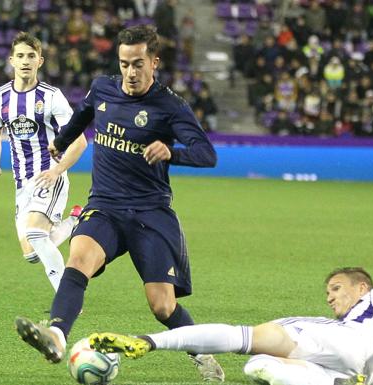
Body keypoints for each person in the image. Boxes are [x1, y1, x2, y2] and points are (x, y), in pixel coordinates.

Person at [13, 25, 224, 382]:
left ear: (154, 62)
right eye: (125, 63)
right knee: (78, 260)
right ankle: (57, 335)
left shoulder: (170, 106)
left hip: (150, 213)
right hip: (105, 206)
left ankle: (200, 351)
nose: (130, 72)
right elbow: (83, 115)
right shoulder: (103, 87)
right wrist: (61, 141)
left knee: (162, 306)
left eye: (138, 64)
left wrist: (173, 151)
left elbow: (208, 154)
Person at [88, 267, 373, 385]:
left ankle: (149, 342)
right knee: (259, 368)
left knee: (243, 338)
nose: (330, 297)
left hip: (345, 346)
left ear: (361, 286)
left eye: (336, 288)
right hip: (358, 372)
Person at [0, 32, 87, 292]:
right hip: (22, 182)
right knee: (32, 253)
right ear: (11, 60)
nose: (25, 61)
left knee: (34, 233)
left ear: (40, 61)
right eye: (20, 56)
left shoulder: (52, 97)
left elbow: (80, 141)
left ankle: (67, 298)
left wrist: (58, 170)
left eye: (31, 56)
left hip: (49, 175)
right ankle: (75, 221)